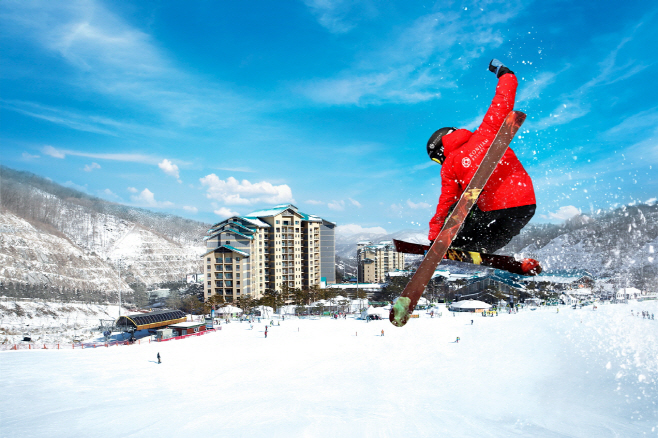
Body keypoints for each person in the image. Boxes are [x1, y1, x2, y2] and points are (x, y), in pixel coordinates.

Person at [426, 59, 536, 253]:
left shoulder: (450, 164)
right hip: (525, 203)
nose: (439, 162)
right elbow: (502, 102)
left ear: (441, 150)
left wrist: (436, 235)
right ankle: (481, 249)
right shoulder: (487, 132)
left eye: (436, 159)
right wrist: (505, 73)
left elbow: (447, 201)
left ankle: (462, 245)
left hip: (490, 206)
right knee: (501, 233)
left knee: (464, 214)